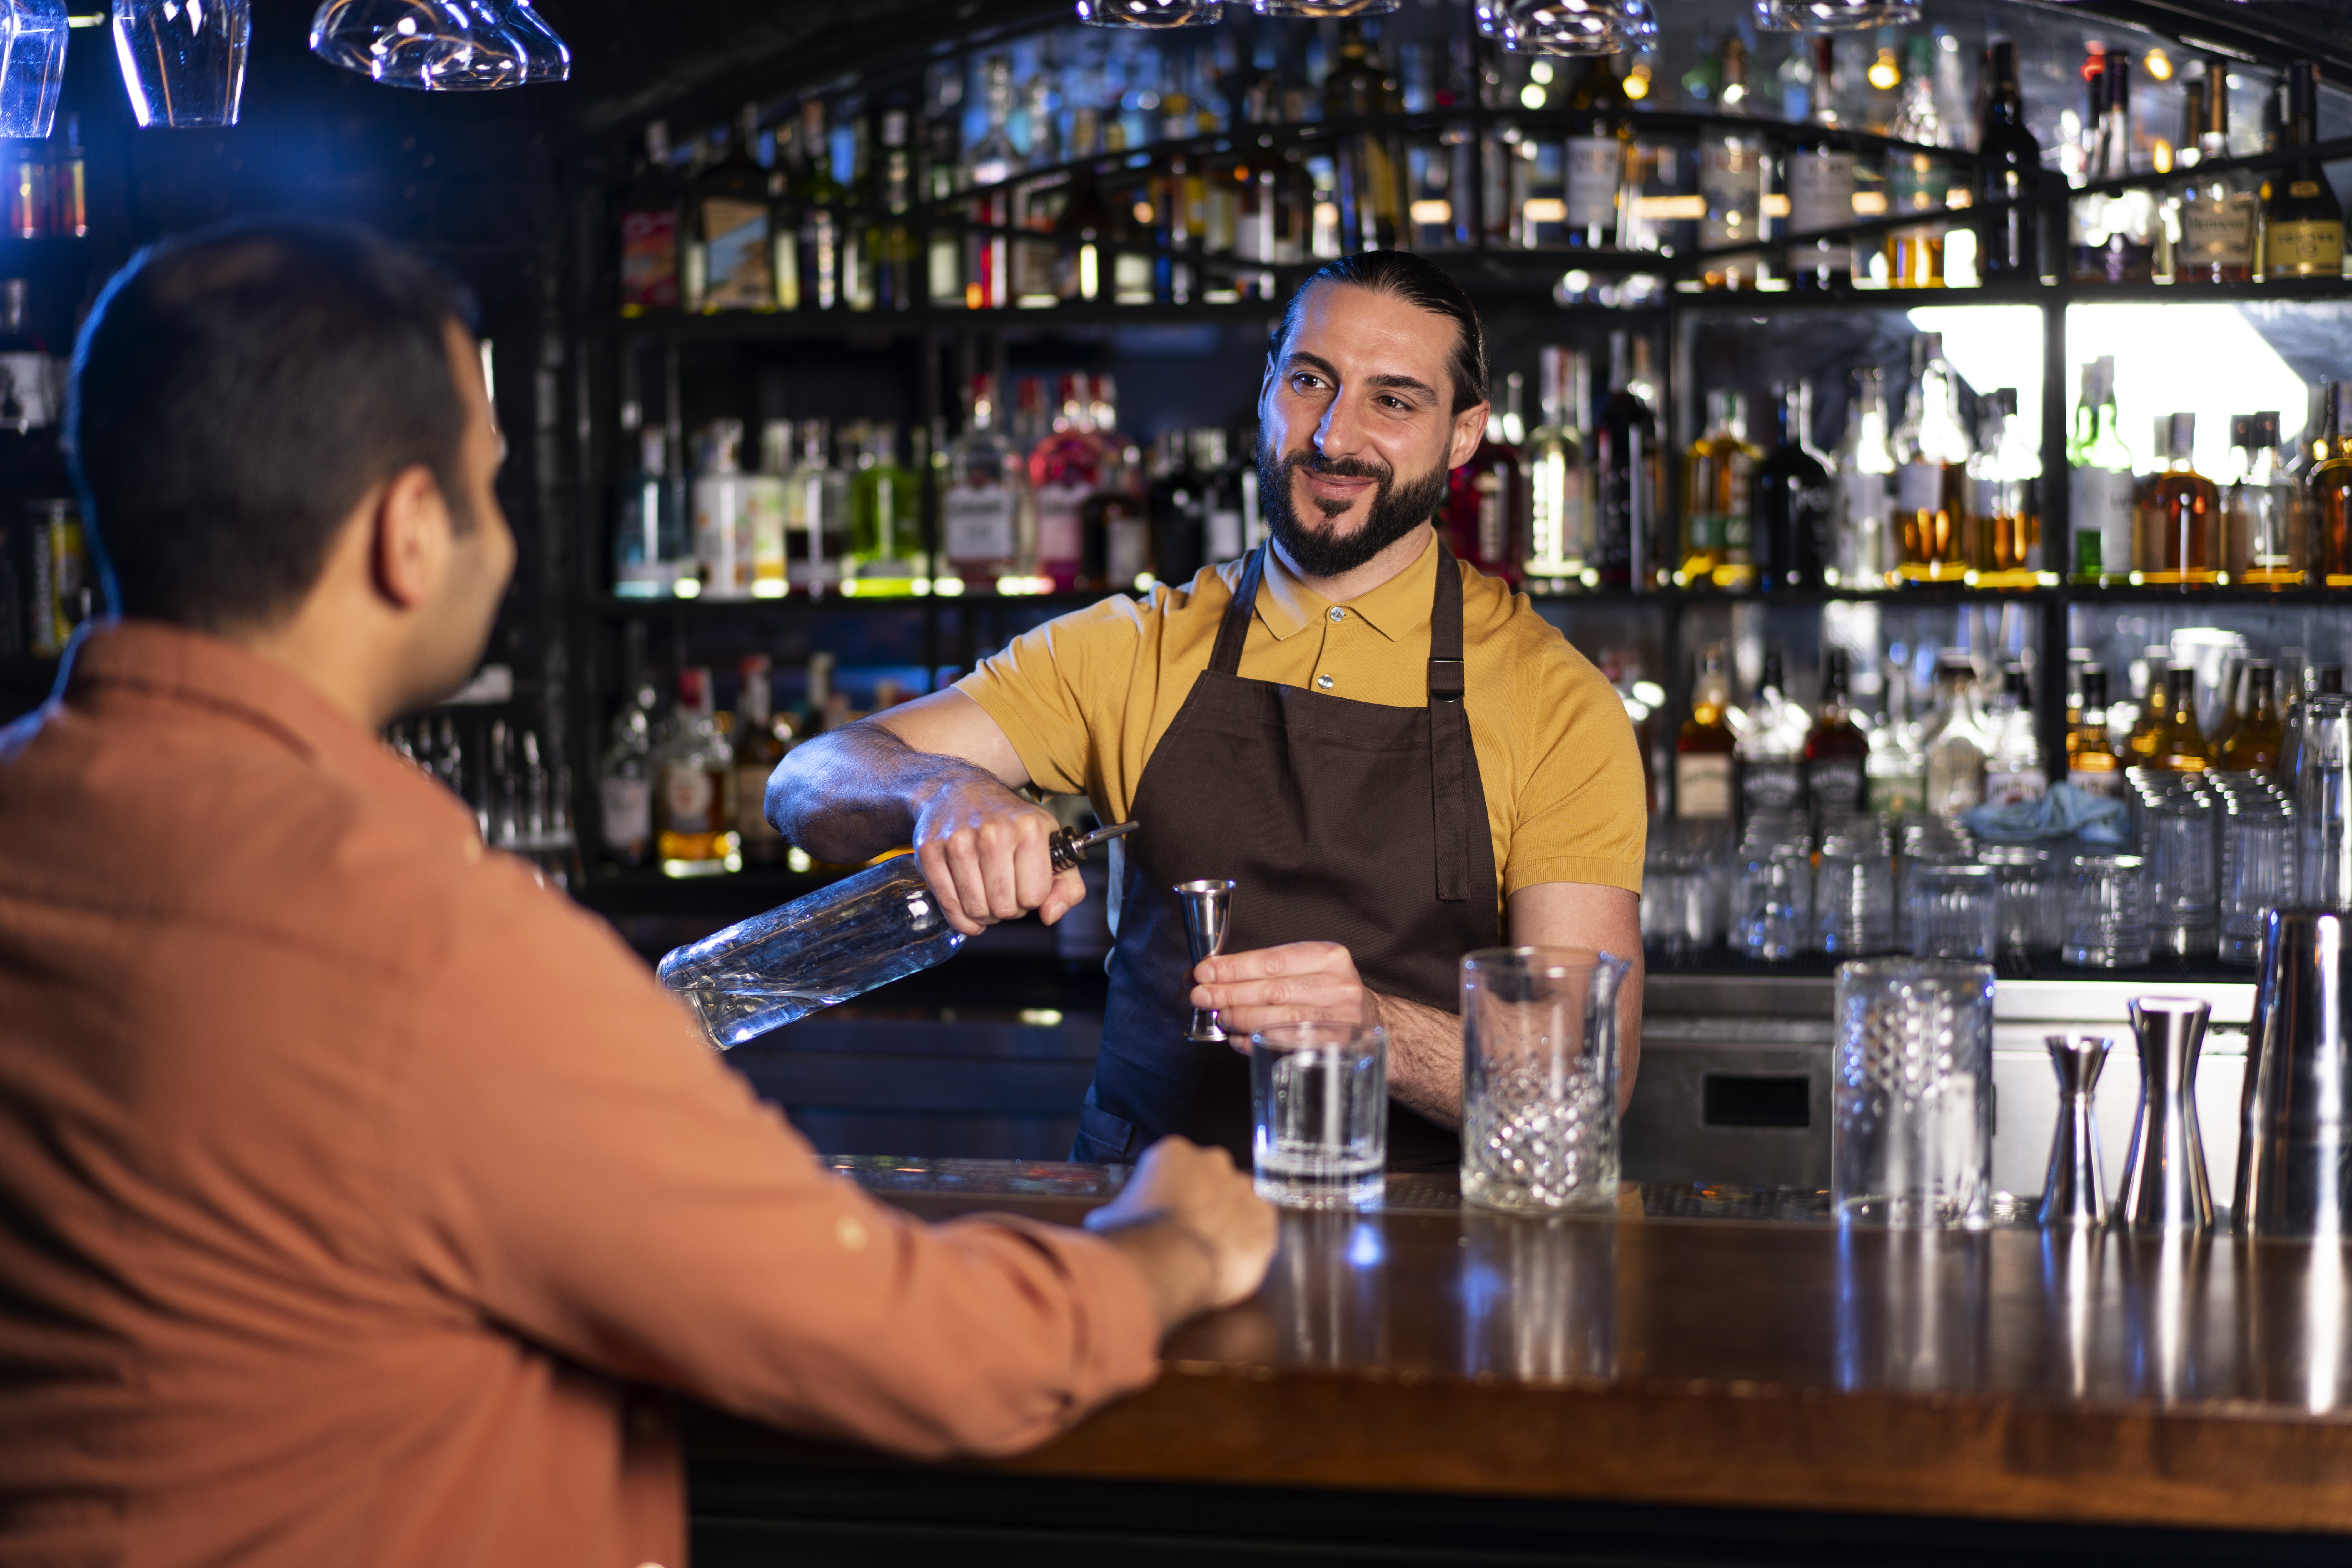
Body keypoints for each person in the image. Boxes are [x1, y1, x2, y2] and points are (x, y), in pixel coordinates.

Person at [0, 221, 1273, 1568]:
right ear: (409, 534)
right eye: (493, 482)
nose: (506, 528)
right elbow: (896, 1342)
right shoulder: (437, 945)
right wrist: (1164, 1250)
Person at [771, 251, 1645, 1171]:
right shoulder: (1134, 647)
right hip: (1144, 1229)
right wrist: (937, 793)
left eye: (1394, 400)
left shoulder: (1557, 703)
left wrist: (1374, 1026)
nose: (1335, 436)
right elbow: (805, 784)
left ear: (1465, 435)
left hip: (1428, 1253)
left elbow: (1590, 1084)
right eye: (1312, 382)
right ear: (1267, 389)